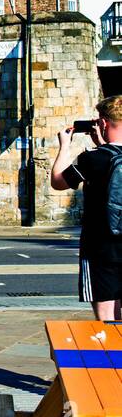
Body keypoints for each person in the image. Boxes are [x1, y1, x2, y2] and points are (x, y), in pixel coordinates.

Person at [53, 96, 122, 320]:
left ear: (102, 123)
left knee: (107, 318)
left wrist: (65, 146)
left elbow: (58, 181)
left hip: (101, 246)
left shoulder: (93, 159)